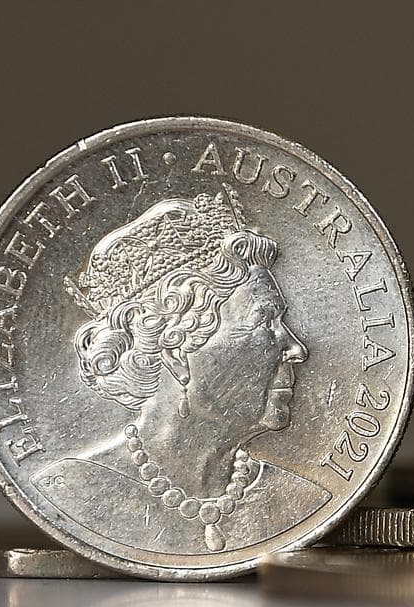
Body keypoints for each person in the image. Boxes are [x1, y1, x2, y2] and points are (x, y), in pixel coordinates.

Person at [33, 186, 329, 553]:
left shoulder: (302, 500)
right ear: (175, 351)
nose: (296, 349)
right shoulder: (72, 489)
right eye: (264, 319)